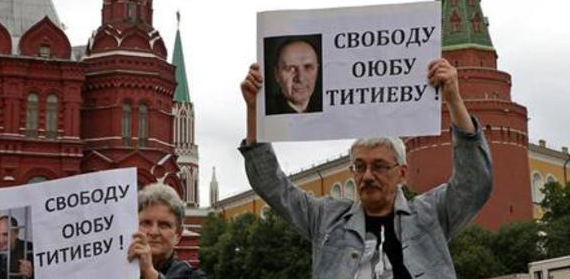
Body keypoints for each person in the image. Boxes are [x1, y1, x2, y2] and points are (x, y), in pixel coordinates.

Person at [240, 58, 493, 278]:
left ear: (402, 173)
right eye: (359, 167)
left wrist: (454, 99)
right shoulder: (326, 220)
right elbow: (271, 186)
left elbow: (474, 184)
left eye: (380, 166)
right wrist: (253, 109)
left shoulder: (430, 216)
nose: (367, 176)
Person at [127, 183, 207, 279]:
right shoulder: (116, 270)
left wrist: (148, 271)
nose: (154, 232)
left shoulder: (193, 276)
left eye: (163, 225)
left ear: (178, 234)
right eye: (146, 223)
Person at [267, 38, 321, 114]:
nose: (300, 78)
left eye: (308, 67)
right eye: (290, 68)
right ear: (277, 74)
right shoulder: (264, 111)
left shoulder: (329, 106)